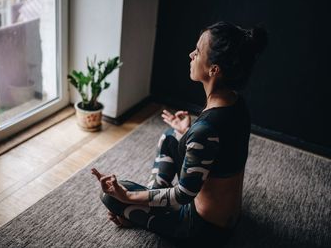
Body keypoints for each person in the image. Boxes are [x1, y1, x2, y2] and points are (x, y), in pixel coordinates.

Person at [91, 21, 268, 247]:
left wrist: (127, 198)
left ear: (214, 69)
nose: (191, 54)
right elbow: (220, 148)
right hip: (228, 217)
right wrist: (187, 132)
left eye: (198, 51)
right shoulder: (236, 103)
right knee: (171, 136)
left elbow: (183, 195)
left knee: (110, 196)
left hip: (202, 229)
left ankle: (141, 211)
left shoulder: (206, 130)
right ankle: (149, 200)